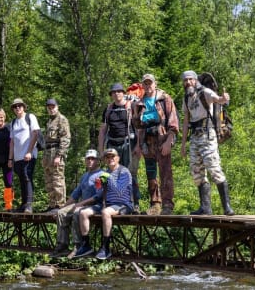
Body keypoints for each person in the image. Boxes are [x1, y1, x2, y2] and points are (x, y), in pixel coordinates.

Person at [180, 70, 234, 216]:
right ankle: (205, 207)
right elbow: (186, 122)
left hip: (207, 134)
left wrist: (224, 98)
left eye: (190, 79)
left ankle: (227, 207)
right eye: (185, 80)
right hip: (194, 136)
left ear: (195, 80)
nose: (188, 82)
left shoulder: (205, 92)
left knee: (214, 168)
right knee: (196, 172)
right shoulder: (186, 98)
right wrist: (183, 144)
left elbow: (218, 99)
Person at [74, 148, 133, 260]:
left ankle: (106, 247)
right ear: (105, 160)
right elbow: (100, 194)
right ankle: (86, 245)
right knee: (83, 213)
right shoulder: (106, 173)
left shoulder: (124, 171)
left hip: (123, 204)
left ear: (118, 158)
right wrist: (99, 185)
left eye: (113, 156)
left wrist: (108, 179)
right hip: (108, 204)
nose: (110, 159)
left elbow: (119, 192)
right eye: (108, 157)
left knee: (105, 212)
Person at [133, 74, 179, 215]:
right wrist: (138, 145)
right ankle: (155, 204)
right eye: (145, 84)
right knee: (151, 172)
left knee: (165, 171)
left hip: (162, 136)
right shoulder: (140, 102)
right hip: (147, 139)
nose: (148, 86)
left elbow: (173, 122)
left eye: (150, 83)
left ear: (155, 83)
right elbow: (138, 125)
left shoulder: (165, 99)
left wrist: (169, 141)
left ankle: (167, 205)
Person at [51, 149, 104, 259]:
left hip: (96, 206)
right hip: (83, 204)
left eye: (93, 159)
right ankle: (62, 245)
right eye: (88, 159)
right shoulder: (84, 176)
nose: (90, 161)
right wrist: (62, 208)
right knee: (61, 213)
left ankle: (78, 245)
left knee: (76, 212)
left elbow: (98, 196)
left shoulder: (101, 175)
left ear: (98, 161)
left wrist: (80, 204)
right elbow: (75, 195)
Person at [97, 83, 140, 213]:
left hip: (128, 143)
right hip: (112, 144)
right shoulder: (108, 109)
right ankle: (109, 202)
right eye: (114, 92)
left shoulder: (131, 107)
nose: (116, 94)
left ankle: (134, 203)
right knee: (109, 174)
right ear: (111, 95)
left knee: (130, 173)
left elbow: (138, 127)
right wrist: (101, 150)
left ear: (123, 93)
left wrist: (138, 146)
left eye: (119, 91)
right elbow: (103, 130)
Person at [8, 98, 39, 213]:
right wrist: (10, 158)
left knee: (27, 177)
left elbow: (35, 133)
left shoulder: (30, 117)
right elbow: (12, 141)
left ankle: (29, 205)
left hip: (29, 155)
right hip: (17, 157)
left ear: (23, 107)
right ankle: (23, 204)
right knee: (21, 179)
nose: (17, 108)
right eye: (15, 107)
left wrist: (30, 151)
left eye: (19, 106)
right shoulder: (13, 122)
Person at [42, 98, 71, 214]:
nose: (51, 109)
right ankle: (52, 204)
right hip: (48, 152)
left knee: (57, 179)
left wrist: (59, 155)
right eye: (49, 107)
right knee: (49, 179)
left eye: (53, 107)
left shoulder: (61, 120)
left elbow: (65, 139)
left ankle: (60, 205)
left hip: (56, 151)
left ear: (57, 107)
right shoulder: (49, 121)